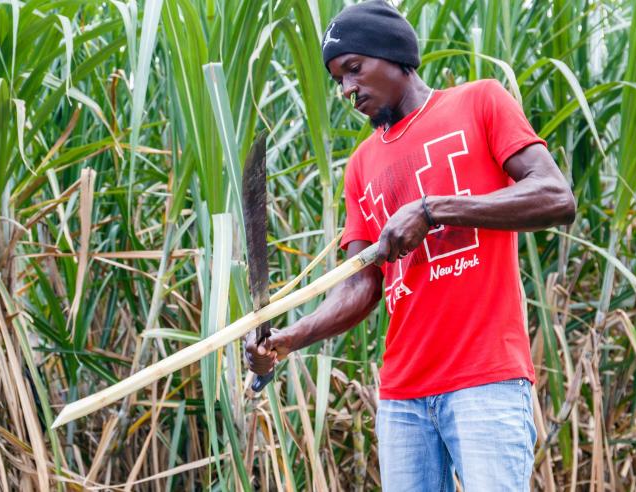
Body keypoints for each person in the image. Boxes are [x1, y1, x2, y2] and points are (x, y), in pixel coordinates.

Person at [245, 0, 576, 489]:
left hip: (485, 379)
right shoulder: (360, 165)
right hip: (403, 396)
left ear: (395, 54)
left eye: (354, 69)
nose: (347, 89)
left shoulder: (480, 102)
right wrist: (290, 339)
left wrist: (433, 210)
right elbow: (361, 286)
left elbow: (555, 196)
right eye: (338, 79)